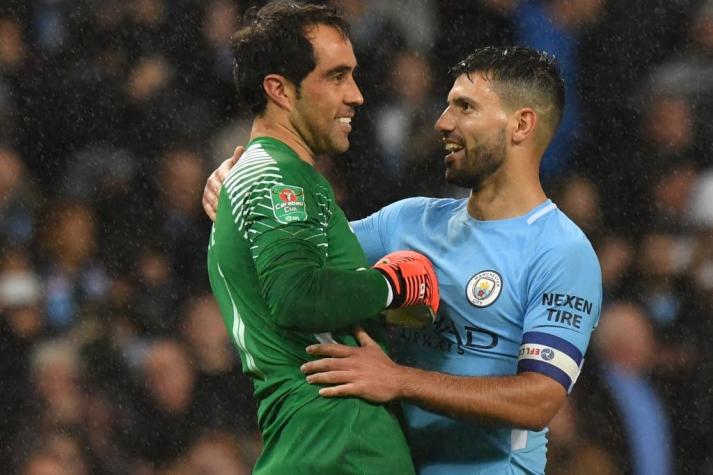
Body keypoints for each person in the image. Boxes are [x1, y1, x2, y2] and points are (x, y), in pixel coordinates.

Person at [205, 46, 602, 474]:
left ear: (522, 124)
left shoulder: (561, 251)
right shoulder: (408, 222)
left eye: (464, 107)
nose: (442, 123)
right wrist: (245, 195)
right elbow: (303, 258)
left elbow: (539, 399)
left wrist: (398, 380)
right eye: (448, 106)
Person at [205, 2, 438, 474]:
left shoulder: (255, 177)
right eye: (336, 76)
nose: (356, 95)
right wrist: (391, 284)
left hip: (311, 439)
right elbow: (296, 296)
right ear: (280, 90)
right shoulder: (279, 178)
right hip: (342, 443)